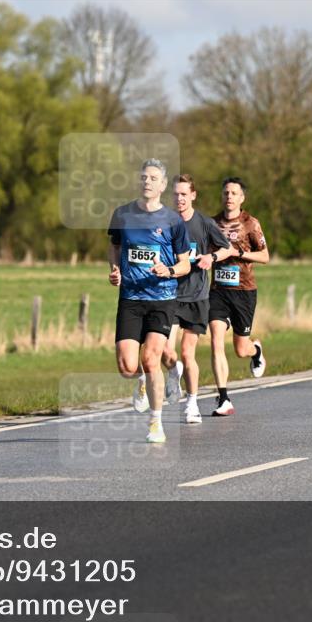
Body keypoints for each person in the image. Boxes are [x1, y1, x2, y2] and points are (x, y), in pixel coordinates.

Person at [108, 159, 192, 443]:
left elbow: (185, 265)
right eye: (144, 177)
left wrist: (167, 270)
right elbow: (115, 246)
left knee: (150, 358)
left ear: (163, 184)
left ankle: (156, 423)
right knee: (127, 367)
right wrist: (115, 269)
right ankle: (143, 381)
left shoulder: (173, 221)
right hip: (130, 298)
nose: (147, 181)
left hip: (162, 299)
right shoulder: (122, 215)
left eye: (153, 178)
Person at [160, 174, 232, 424]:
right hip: (169, 293)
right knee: (165, 350)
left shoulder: (204, 223)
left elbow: (226, 248)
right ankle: (173, 370)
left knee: (187, 352)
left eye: (183, 194)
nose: (179, 199)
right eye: (175, 194)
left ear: (193, 195)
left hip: (196, 295)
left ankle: (192, 403)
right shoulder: (166, 222)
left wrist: (210, 258)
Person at [208, 177, 270, 417]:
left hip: (244, 291)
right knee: (215, 337)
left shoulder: (250, 224)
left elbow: (265, 256)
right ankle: (223, 397)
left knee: (240, 349)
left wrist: (239, 252)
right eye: (225, 193)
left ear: (242, 198)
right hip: (218, 292)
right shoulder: (211, 223)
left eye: (234, 193)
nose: (229, 197)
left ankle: (256, 351)